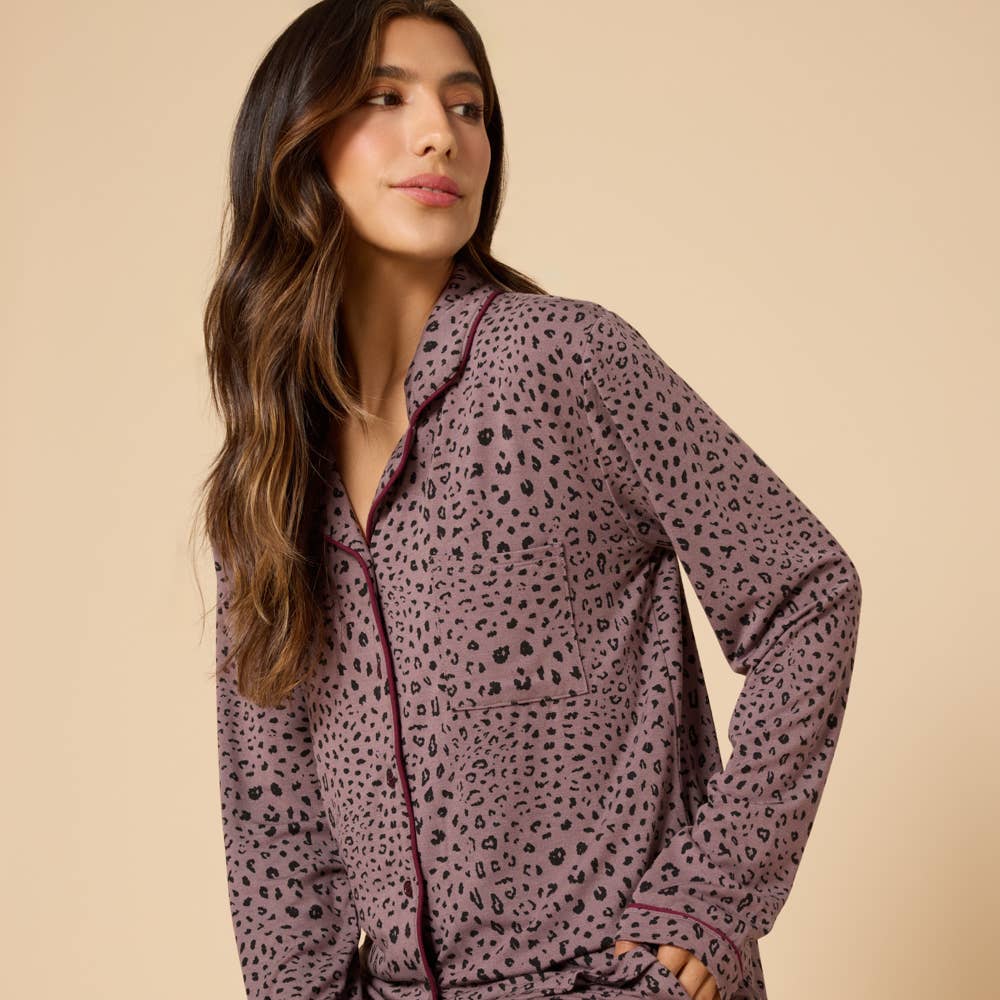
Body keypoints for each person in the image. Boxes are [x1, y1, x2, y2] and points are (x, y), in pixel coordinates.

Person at [200, 3, 863, 1000]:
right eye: (386, 98)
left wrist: (714, 894)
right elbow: (274, 819)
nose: (441, 134)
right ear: (296, 143)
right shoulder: (272, 468)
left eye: (467, 108)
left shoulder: (561, 361)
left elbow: (805, 593)